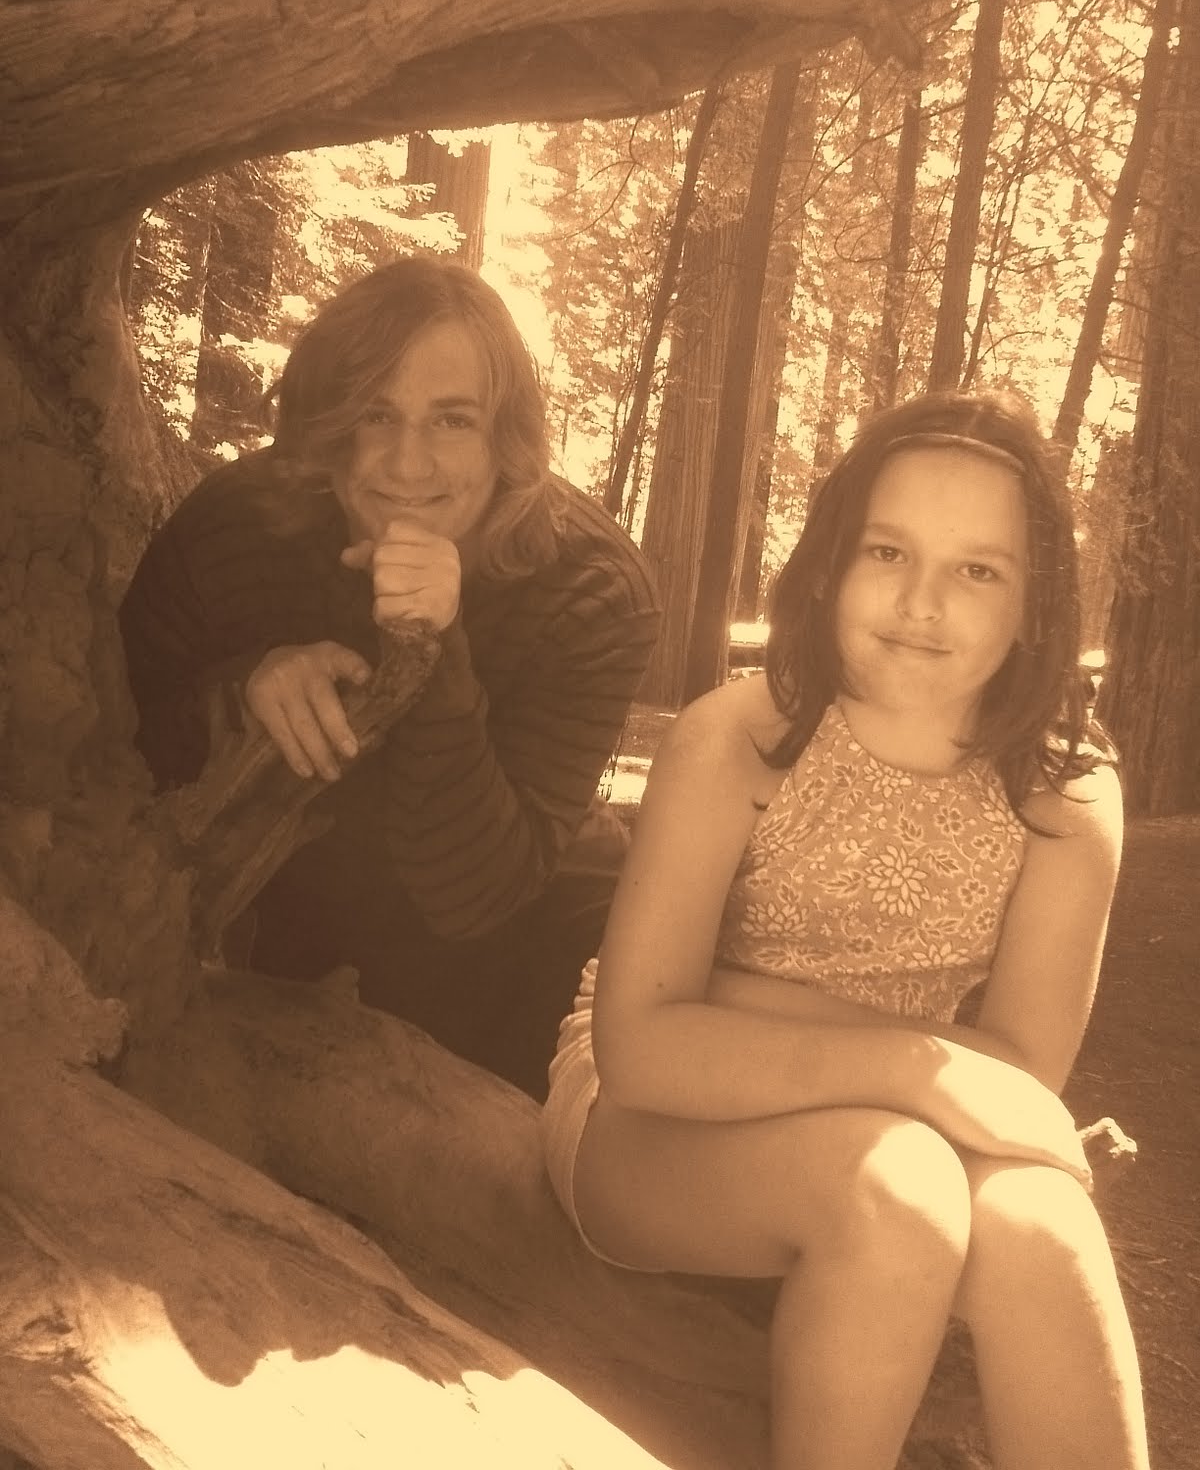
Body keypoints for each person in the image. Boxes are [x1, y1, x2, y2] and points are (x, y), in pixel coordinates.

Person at [542, 391, 1149, 1470]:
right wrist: (917, 1066)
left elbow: (1020, 1079)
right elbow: (643, 1045)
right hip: (644, 1124)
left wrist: (741, 1002)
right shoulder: (741, 739)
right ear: (829, 563)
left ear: (1036, 608)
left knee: (1046, 1226)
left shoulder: (1065, 794)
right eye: (888, 550)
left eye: (978, 570)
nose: (922, 602)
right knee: (899, 1188)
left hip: (909, 1117)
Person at [119, 255, 659, 1098]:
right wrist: (242, 691)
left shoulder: (590, 590)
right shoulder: (235, 531)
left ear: (508, 439)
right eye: (376, 413)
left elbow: (476, 898)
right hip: (300, 902)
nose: (408, 465)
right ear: (328, 426)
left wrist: (429, 652)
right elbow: (106, 749)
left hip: (521, 920)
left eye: (452, 421)